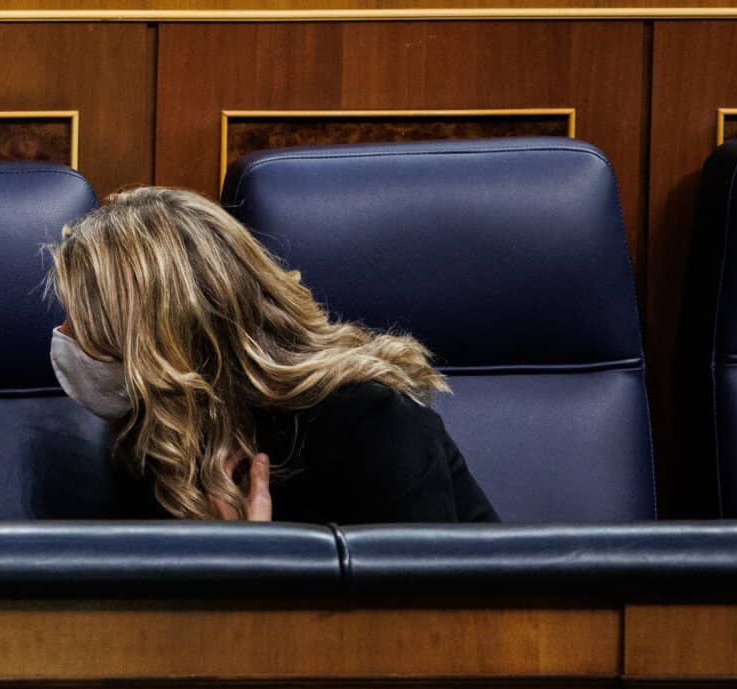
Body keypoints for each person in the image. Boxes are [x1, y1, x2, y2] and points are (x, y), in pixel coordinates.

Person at [46, 187, 497, 524]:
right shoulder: (156, 440)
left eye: (82, 321)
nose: (64, 335)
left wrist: (262, 562)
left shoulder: (371, 424)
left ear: (159, 341)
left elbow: (417, 633)